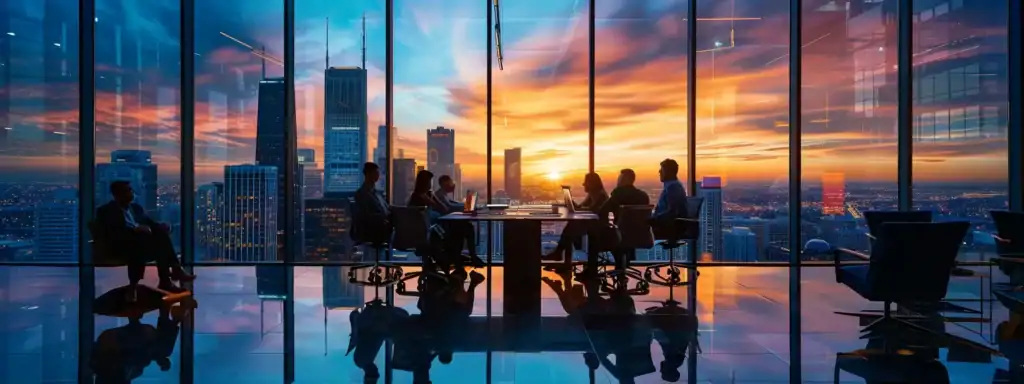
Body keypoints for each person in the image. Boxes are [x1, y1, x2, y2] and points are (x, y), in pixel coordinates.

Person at [96, 181, 194, 298]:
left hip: (140, 244)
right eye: (128, 190)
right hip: (120, 246)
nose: (131, 193)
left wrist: (162, 226)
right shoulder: (106, 211)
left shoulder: (136, 208)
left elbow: (150, 223)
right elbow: (112, 233)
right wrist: (135, 230)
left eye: (131, 190)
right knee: (155, 241)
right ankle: (169, 277)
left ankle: (166, 279)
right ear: (117, 194)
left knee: (159, 235)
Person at [542, 172, 609, 262]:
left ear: (592, 183)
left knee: (571, 228)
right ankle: (560, 255)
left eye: (586, 182)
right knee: (571, 228)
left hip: (598, 227)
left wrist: (576, 207)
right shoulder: (593, 195)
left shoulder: (601, 195)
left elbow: (593, 211)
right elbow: (581, 208)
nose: (583, 184)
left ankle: (559, 254)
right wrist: (571, 202)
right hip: (592, 225)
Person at [434, 175, 480, 263]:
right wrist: (466, 207)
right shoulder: (439, 195)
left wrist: (467, 206)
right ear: (445, 184)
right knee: (468, 227)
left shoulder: (443, 194)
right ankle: (472, 256)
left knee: (467, 226)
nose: (453, 185)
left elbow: (454, 203)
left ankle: (469, 256)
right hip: (444, 227)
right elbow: (450, 207)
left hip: (447, 224)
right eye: (451, 183)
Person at [352, 162, 391, 245]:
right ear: (369, 174)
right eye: (376, 173)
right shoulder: (362, 194)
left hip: (382, 224)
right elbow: (365, 216)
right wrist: (383, 218)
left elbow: (386, 209)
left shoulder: (376, 193)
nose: (378, 175)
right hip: (373, 229)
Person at [650, 159, 689, 240]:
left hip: (670, 227)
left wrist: (654, 219)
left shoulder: (673, 187)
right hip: (666, 225)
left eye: (662, 169)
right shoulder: (671, 186)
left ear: (669, 172)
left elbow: (672, 212)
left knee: (635, 228)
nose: (659, 172)